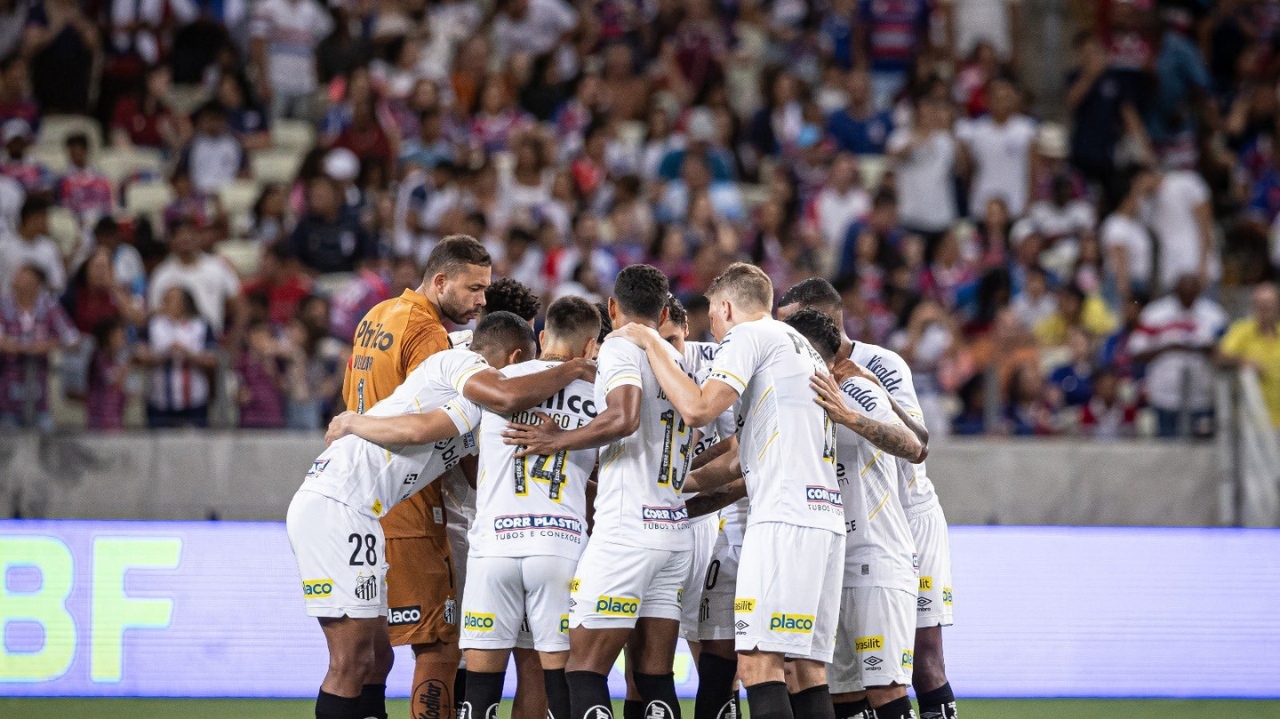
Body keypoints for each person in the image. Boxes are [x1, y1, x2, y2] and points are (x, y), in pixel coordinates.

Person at [339, 236, 591, 719]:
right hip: (445, 515)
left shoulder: (378, 317)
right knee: (468, 652)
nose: (477, 303)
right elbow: (458, 430)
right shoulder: (447, 349)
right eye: (474, 291)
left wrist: (353, 423)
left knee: (374, 656)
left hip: (369, 503)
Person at [606, 263, 844, 719]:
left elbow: (697, 409)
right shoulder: (801, 349)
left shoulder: (748, 336)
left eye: (713, 314)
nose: (712, 329)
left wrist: (649, 340)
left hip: (784, 518)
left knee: (757, 662)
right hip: (822, 517)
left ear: (728, 307)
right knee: (807, 670)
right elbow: (741, 459)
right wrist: (674, 481)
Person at [502, 264, 692, 719]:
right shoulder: (676, 361)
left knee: (583, 669)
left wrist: (557, 439)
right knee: (653, 675)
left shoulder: (622, 346)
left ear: (612, 308)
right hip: (672, 531)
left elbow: (624, 416)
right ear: (664, 310)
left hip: (627, 532)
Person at [775, 277, 958, 719]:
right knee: (845, 675)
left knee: (920, 659)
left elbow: (917, 443)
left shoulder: (878, 365)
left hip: (904, 518)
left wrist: (861, 403)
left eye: (790, 327)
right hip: (844, 524)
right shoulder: (800, 375)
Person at [790, 309, 920, 719]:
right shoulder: (794, 398)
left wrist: (850, 418)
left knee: (886, 689)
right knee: (841, 695)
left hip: (875, 557)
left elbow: (914, 445)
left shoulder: (857, 389)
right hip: (829, 561)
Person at [1128, 274, 1227, 438]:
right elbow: (1136, 349)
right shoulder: (1156, 313)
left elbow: (1226, 351)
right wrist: (1168, 348)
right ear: (1175, 290)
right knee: (1166, 448)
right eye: (1183, 291)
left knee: (1201, 448)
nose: (1187, 295)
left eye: (1192, 291)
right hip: (1164, 395)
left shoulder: (1214, 315)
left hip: (1201, 394)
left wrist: (1204, 349)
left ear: (1199, 291)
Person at [0, 263, 78, 429]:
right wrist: (23, 347)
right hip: (7, 397)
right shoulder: (3, 307)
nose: (16, 278)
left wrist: (47, 344)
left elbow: (73, 339)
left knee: (47, 436)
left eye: (22, 274)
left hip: (39, 396)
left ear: (35, 281)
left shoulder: (49, 307)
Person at [135, 286, 218, 428]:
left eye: (170, 300)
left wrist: (187, 354)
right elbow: (140, 357)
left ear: (184, 303)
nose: (164, 303)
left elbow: (213, 360)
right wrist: (165, 354)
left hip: (194, 400)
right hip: (159, 400)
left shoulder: (201, 325)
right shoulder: (153, 324)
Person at [955, 77, 1036, 218]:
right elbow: (969, 170)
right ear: (987, 100)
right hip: (983, 203)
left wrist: (1030, 200)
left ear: (1014, 100)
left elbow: (1033, 170)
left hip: (1015, 203)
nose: (1001, 102)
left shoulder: (1026, 129)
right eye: (997, 97)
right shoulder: (976, 130)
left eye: (1006, 97)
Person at [146, 221, 242, 336]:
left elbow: (240, 307)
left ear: (198, 237)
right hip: (174, 343)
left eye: (190, 233)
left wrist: (233, 341)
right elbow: (154, 314)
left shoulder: (218, 267)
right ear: (171, 241)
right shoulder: (161, 274)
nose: (185, 238)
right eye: (179, 234)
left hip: (212, 342)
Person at [1218, 283, 1280, 430]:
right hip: (1250, 422)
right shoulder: (1242, 330)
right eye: (1261, 305)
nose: (1265, 310)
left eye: (1269, 305)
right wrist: (1242, 361)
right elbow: (1219, 357)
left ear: (1277, 307)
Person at [0, 196, 64, 295]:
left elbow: (57, 283)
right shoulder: (4, 247)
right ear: (32, 219)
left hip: (39, 307)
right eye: (44, 218)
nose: (47, 223)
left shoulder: (49, 248)